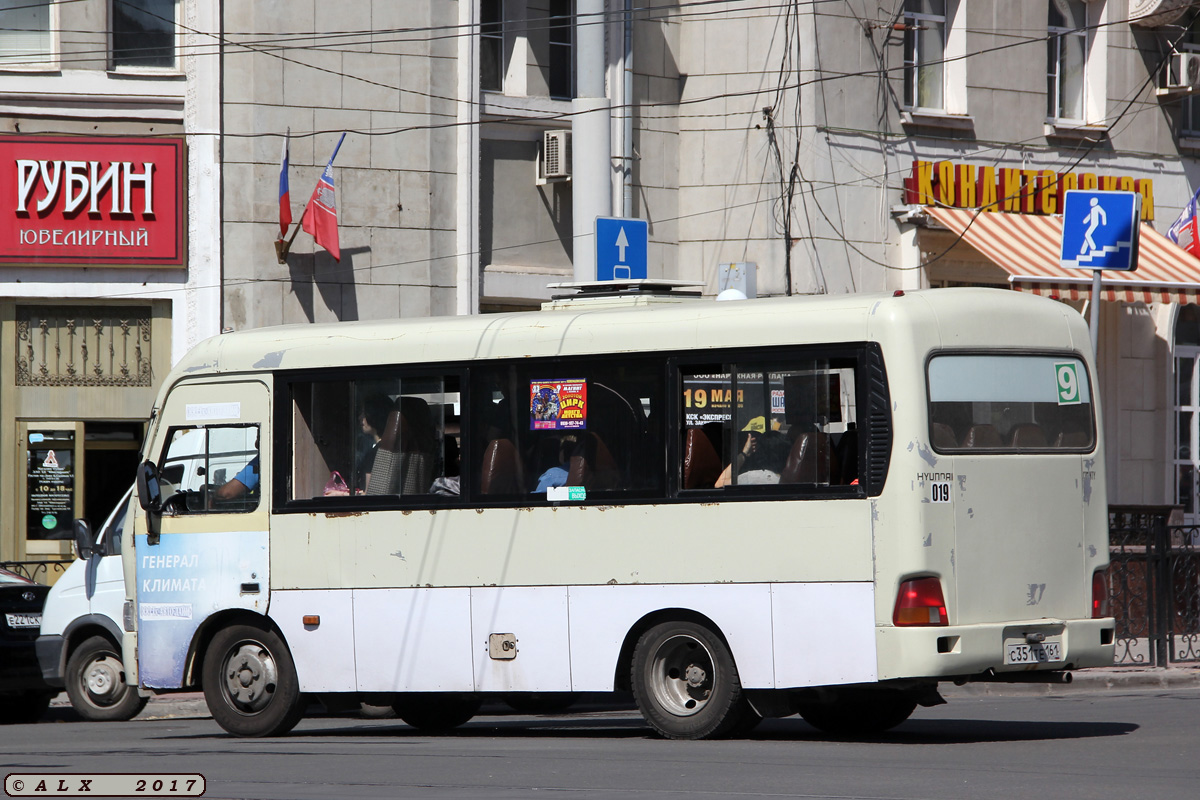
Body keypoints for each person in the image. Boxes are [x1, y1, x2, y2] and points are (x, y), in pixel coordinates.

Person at [355, 394, 395, 493]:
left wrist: (342, 495)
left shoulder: (375, 453)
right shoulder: (393, 448)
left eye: (364, 414)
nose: (360, 418)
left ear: (374, 415)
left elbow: (370, 494)